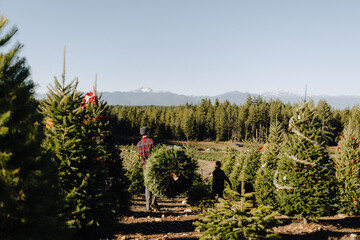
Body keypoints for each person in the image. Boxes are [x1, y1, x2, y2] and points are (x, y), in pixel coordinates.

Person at [136, 126, 159, 211]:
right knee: (156, 184)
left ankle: (147, 206)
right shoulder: (151, 141)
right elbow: (156, 154)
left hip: (144, 167)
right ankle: (153, 201)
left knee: (147, 186)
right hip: (152, 166)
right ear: (147, 133)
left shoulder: (138, 144)